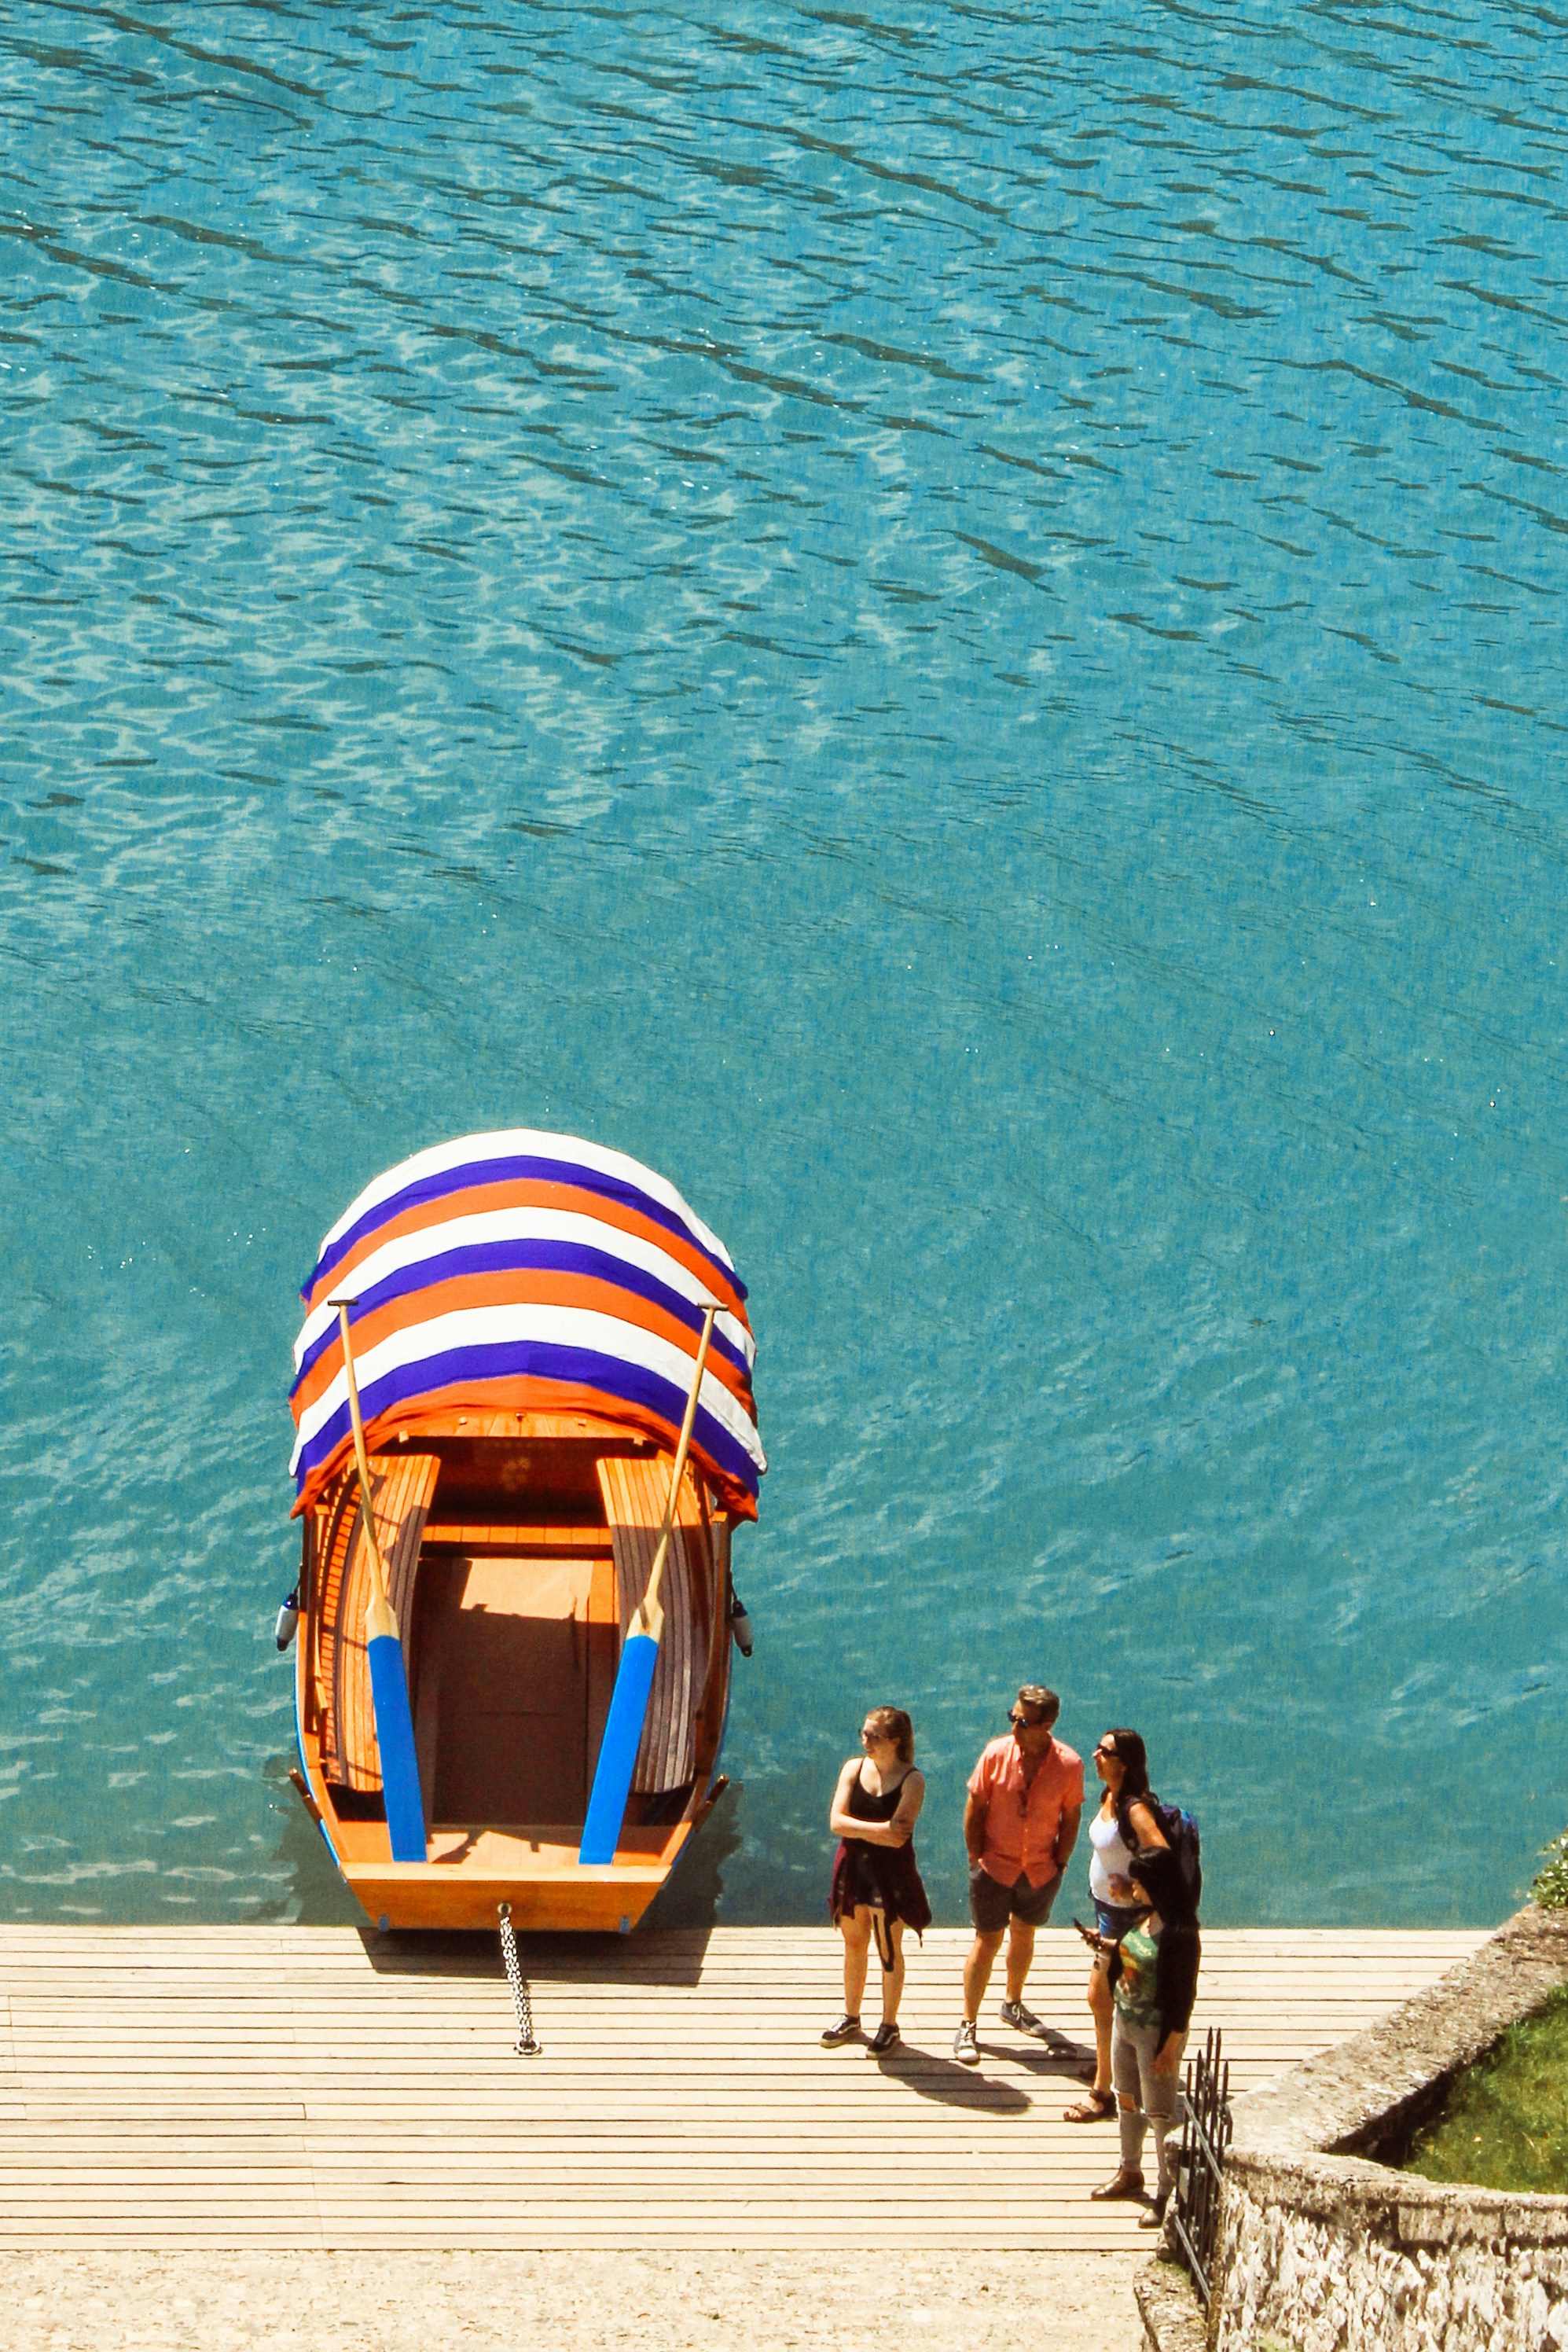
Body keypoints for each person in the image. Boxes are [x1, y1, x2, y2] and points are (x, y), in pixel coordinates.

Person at [952, 1684, 1083, 2067]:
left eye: (1022, 1721)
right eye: (1012, 1717)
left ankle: (1012, 2003)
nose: (1014, 1726)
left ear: (1047, 1724)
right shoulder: (996, 1753)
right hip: (995, 1866)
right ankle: (968, 2022)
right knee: (987, 1941)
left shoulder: (1070, 1765)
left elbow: (1071, 1816)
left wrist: (1061, 1861)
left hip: (1040, 1870)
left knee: (1024, 1934)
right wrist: (975, 1857)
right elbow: (975, 1805)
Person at [1086, 1843, 1201, 2222]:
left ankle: (1168, 2191)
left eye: (1139, 1883)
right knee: (1128, 2099)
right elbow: (1129, 1950)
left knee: (1161, 2113)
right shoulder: (1144, 1917)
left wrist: (1170, 2047)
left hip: (1155, 2034)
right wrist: (1104, 1945)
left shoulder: (1180, 1934)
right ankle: (1129, 2170)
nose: (1133, 1889)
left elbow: (1183, 1996)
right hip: (1126, 2023)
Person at [1064, 1728, 1169, 2124]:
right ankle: (1112, 2066)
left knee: (1101, 1996)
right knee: (1107, 1997)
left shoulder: (1135, 1808)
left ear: (1123, 1762)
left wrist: (1134, 1887)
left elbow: (1161, 1852)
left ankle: (1103, 2092)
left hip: (1128, 1916)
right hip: (1106, 1910)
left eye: (1104, 1751)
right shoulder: (1109, 1796)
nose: (1095, 1755)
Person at [821, 1706, 931, 2054]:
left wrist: (867, 1831)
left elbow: (898, 1836)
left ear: (895, 1741)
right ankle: (851, 2016)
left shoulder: (912, 1780)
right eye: (864, 1733)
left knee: (888, 1951)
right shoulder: (853, 1768)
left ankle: (889, 2023)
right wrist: (879, 1830)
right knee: (854, 1945)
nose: (865, 1740)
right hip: (853, 1868)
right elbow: (836, 1822)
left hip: (890, 1875)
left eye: (874, 1736)